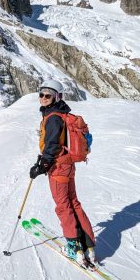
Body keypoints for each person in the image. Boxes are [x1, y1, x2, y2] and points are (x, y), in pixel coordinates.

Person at [30, 80, 96, 266]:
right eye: (41, 94)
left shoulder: (53, 118)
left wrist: (42, 165)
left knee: (63, 206)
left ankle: (74, 247)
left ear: (57, 97)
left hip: (58, 167)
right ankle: (88, 246)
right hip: (68, 165)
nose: (43, 98)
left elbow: (52, 145)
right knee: (73, 202)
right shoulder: (62, 113)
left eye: (48, 95)